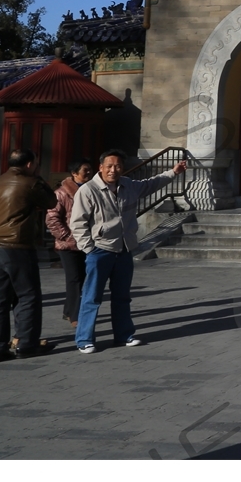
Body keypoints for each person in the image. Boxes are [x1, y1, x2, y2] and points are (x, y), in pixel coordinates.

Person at [68, 148, 185, 353]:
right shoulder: (88, 191)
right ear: (101, 168)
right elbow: (77, 223)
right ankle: (84, 339)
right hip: (100, 250)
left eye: (118, 166)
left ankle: (124, 335)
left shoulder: (128, 185)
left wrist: (173, 173)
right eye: (110, 166)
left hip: (124, 249)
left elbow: (151, 184)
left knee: (122, 296)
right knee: (92, 297)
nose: (114, 170)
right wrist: (89, 248)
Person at [0, 149, 58, 362]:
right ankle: (26, 344)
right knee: (28, 295)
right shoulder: (30, 183)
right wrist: (38, 177)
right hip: (18, 246)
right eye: (36, 164)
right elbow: (51, 201)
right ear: (29, 164)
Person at [47, 159, 95, 324]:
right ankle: (75, 316)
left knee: (82, 277)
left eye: (90, 169)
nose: (88, 173)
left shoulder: (92, 190)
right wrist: (66, 236)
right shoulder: (61, 193)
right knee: (74, 279)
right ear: (74, 174)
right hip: (68, 244)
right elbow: (52, 218)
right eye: (84, 170)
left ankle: (68, 310)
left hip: (86, 242)